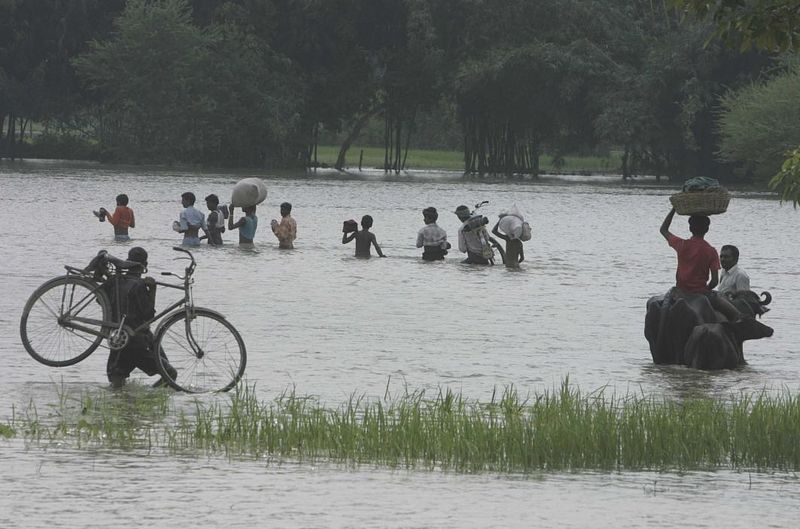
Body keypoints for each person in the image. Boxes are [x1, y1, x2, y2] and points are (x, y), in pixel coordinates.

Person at [105, 247, 177, 388]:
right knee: (170, 373)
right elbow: (148, 315)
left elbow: (101, 300)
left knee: (117, 382)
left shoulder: (115, 281)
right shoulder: (139, 285)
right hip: (136, 341)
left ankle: (129, 402)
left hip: (118, 339)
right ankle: (150, 398)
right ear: (145, 265)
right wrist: (153, 290)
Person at [659, 207, 740, 321]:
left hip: (680, 292)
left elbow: (663, 230)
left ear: (690, 228)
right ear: (707, 229)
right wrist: (706, 289)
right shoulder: (711, 251)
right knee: (736, 315)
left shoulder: (681, 244)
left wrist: (674, 209)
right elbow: (714, 281)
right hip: (700, 293)